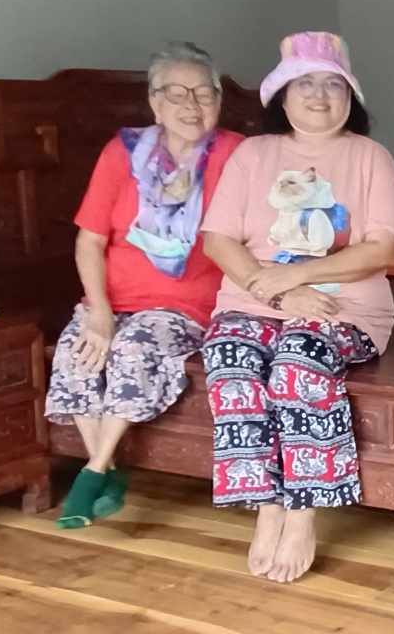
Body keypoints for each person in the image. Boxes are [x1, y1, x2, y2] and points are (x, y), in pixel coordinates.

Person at [198, 31, 394, 584]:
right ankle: (267, 503)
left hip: (346, 308)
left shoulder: (370, 157)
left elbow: (385, 247)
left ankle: (303, 511)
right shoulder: (253, 154)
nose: (319, 95)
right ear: (282, 97)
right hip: (253, 300)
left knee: (298, 359)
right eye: (304, 84)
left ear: (350, 98)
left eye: (332, 85)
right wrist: (272, 290)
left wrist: (297, 275)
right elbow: (218, 239)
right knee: (230, 359)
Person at [47, 42, 245, 529]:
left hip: (188, 304)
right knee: (76, 350)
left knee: (133, 347)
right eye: (176, 93)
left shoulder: (238, 154)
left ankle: (94, 472)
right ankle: (107, 470)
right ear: (154, 102)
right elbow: (90, 240)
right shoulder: (123, 153)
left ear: (219, 100)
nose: (191, 104)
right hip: (112, 299)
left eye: (204, 93)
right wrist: (98, 312)